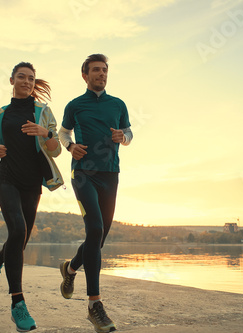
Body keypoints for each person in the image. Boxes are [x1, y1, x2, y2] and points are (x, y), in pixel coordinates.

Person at [0, 61, 63, 332]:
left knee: (22, 238)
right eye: (22, 77)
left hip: (32, 182)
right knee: (17, 230)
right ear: (11, 80)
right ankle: (18, 304)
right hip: (6, 178)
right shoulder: (0, 114)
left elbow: (55, 149)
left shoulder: (42, 112)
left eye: (31, 78)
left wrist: (46, 132)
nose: (27, 81)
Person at [58, 54, 133, 333]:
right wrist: (70, 146)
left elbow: (129, 132)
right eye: (96, 70)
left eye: (104, 70)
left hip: (110, 174)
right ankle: (94, 305)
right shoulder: (75, 105)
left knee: (98, 238)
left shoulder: (118, 104)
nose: (101, 74)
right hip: (83, 173)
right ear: (85, 75)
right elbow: (63, 133)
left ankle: (70, 269)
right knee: (95, 229)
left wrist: (122, 138)